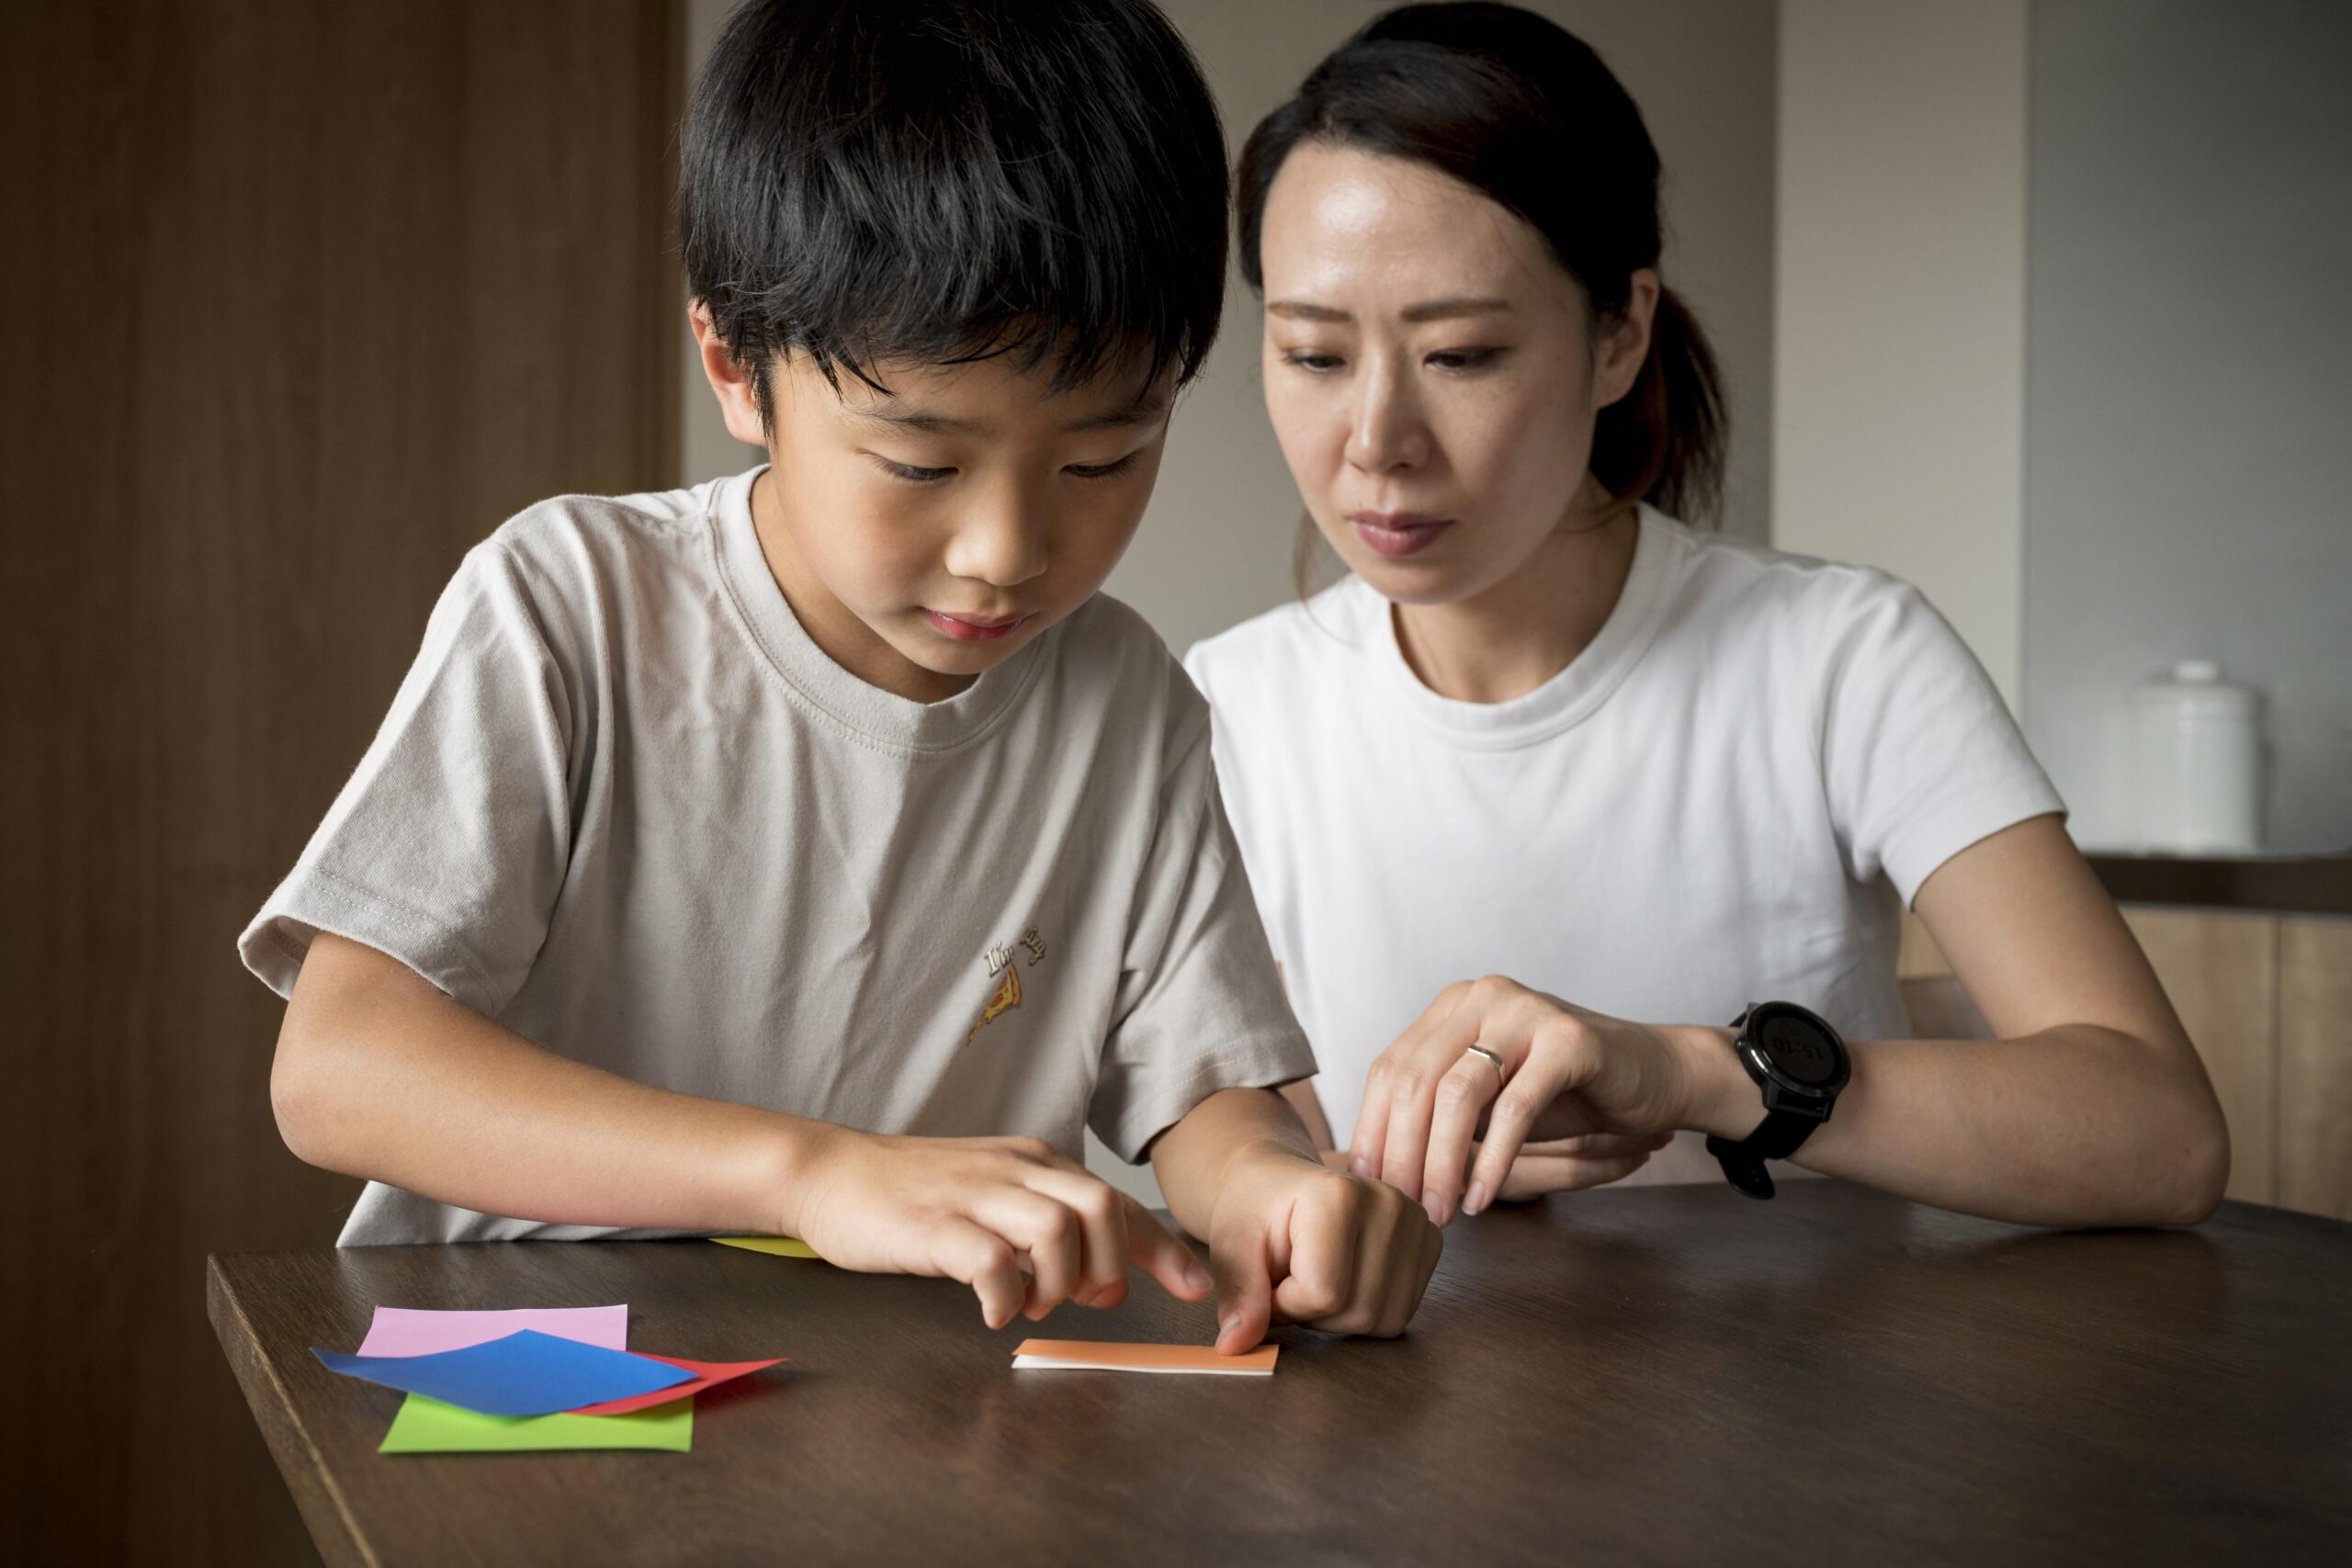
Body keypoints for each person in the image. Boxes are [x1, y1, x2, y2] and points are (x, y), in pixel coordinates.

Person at [241, 0, 1438, 1356]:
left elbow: (1210, 1098)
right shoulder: (571, 606)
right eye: (922, 463)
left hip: (912, 1400)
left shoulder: (1124, 702)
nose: (1007, 552)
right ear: (737, 370)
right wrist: (815, 1177)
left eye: (1103, 460)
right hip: (531, 1366)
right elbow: (338, 1071)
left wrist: (1277, 1193)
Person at [1185, 2, 2227, 1230]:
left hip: (1799, 1400)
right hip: (1400, 1393)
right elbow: (1227, 1146)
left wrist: (1699, 1074)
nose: (1375, 443)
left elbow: (2160, 1131)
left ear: (1619, 334)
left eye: (1460, 355)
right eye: (1312, 355)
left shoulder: (1841, 659)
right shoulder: (1226, 711)